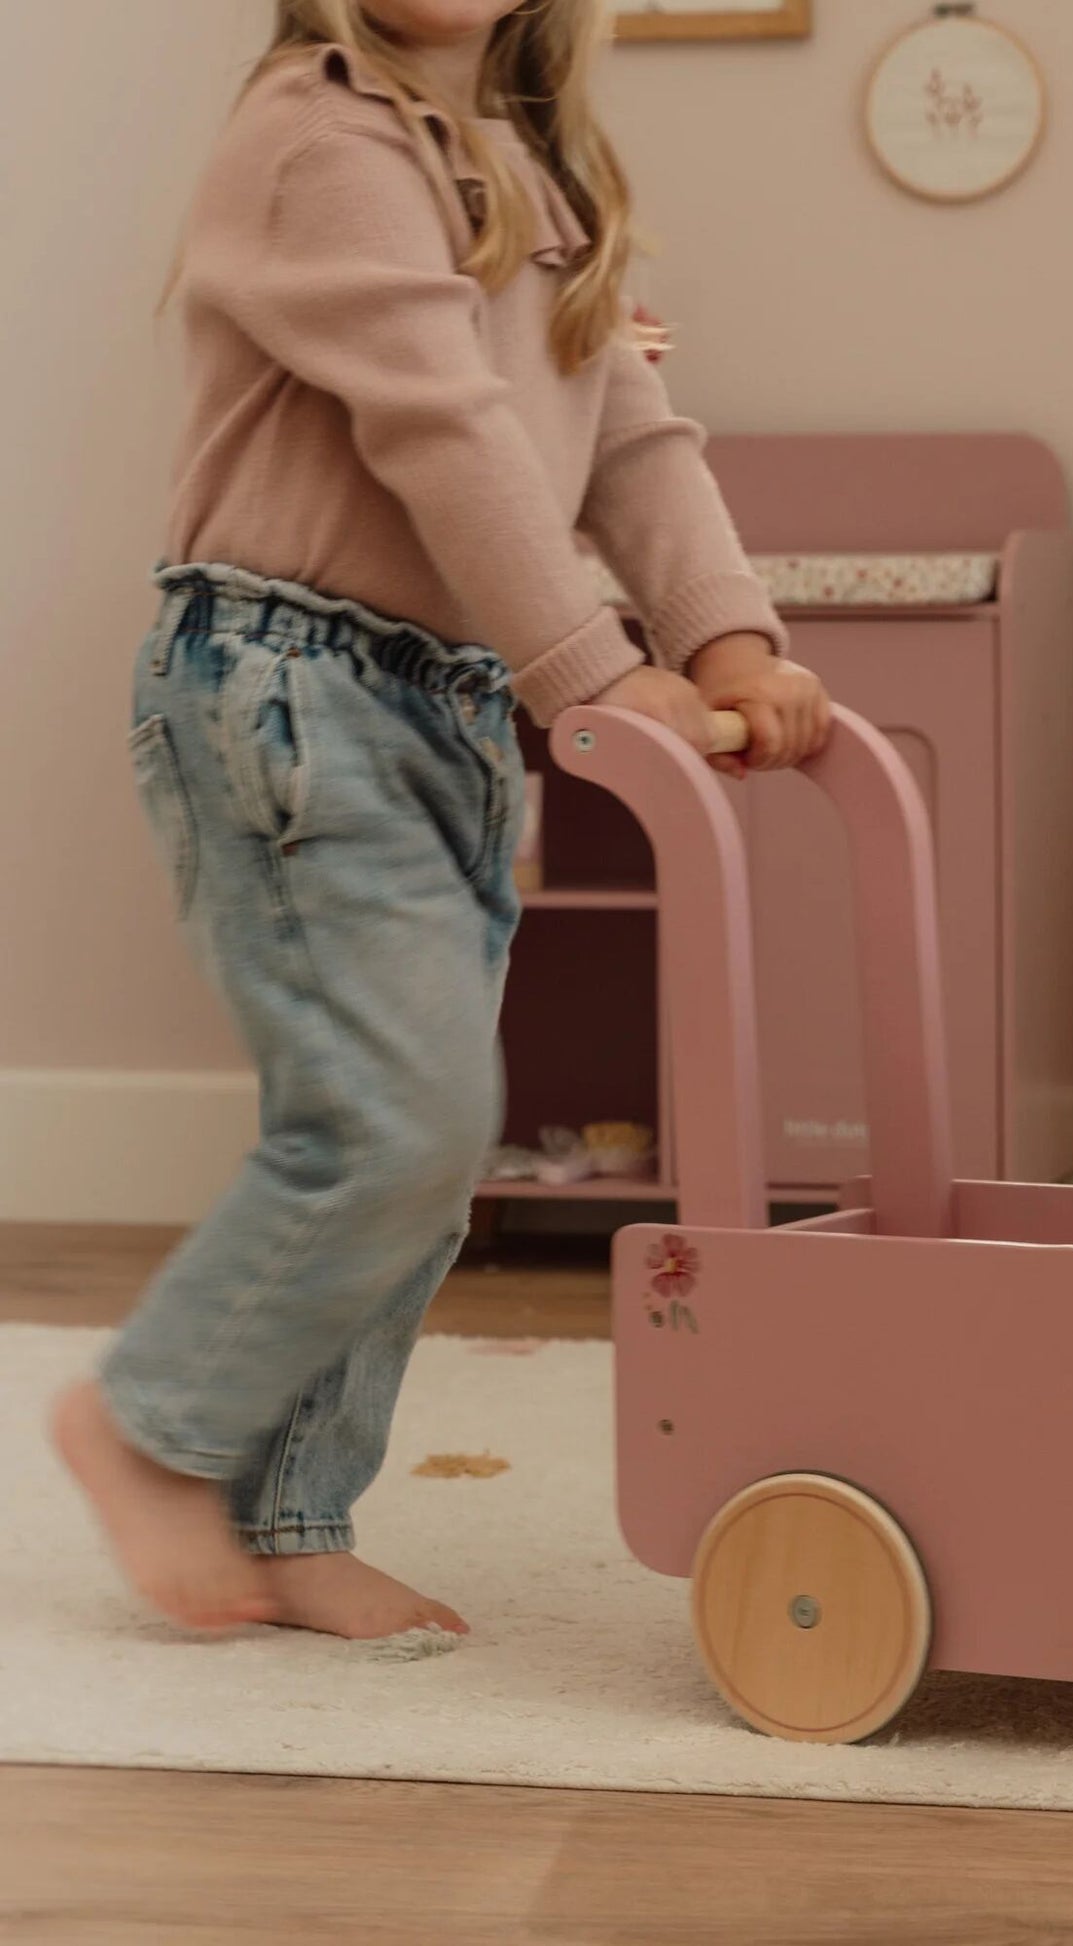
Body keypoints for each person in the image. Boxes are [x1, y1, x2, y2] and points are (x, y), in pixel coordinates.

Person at [53, 0, 829, 1641]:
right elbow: (444, 431)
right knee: (394, 1119)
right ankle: (145, 1426)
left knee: (416, 1135)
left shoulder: (535, 166)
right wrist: (598, 673)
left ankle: (293, 1516)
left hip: (439, 706)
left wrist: (731, 636)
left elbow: (629, 431)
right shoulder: (318, 137)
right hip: (285, 689)